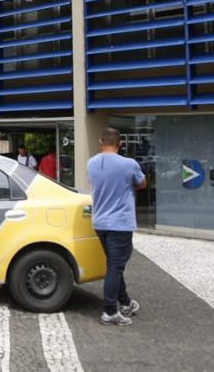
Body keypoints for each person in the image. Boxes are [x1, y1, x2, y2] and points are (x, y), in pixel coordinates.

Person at [87, 127, 146, 327]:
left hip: (99, 222)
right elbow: (142, 183)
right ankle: (110, 312)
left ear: (100, 141)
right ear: (120, 144)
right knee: (115, 267)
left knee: (114, 265)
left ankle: (126, 303)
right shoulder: (129, 164)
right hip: (120, 223)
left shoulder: (91, 163)